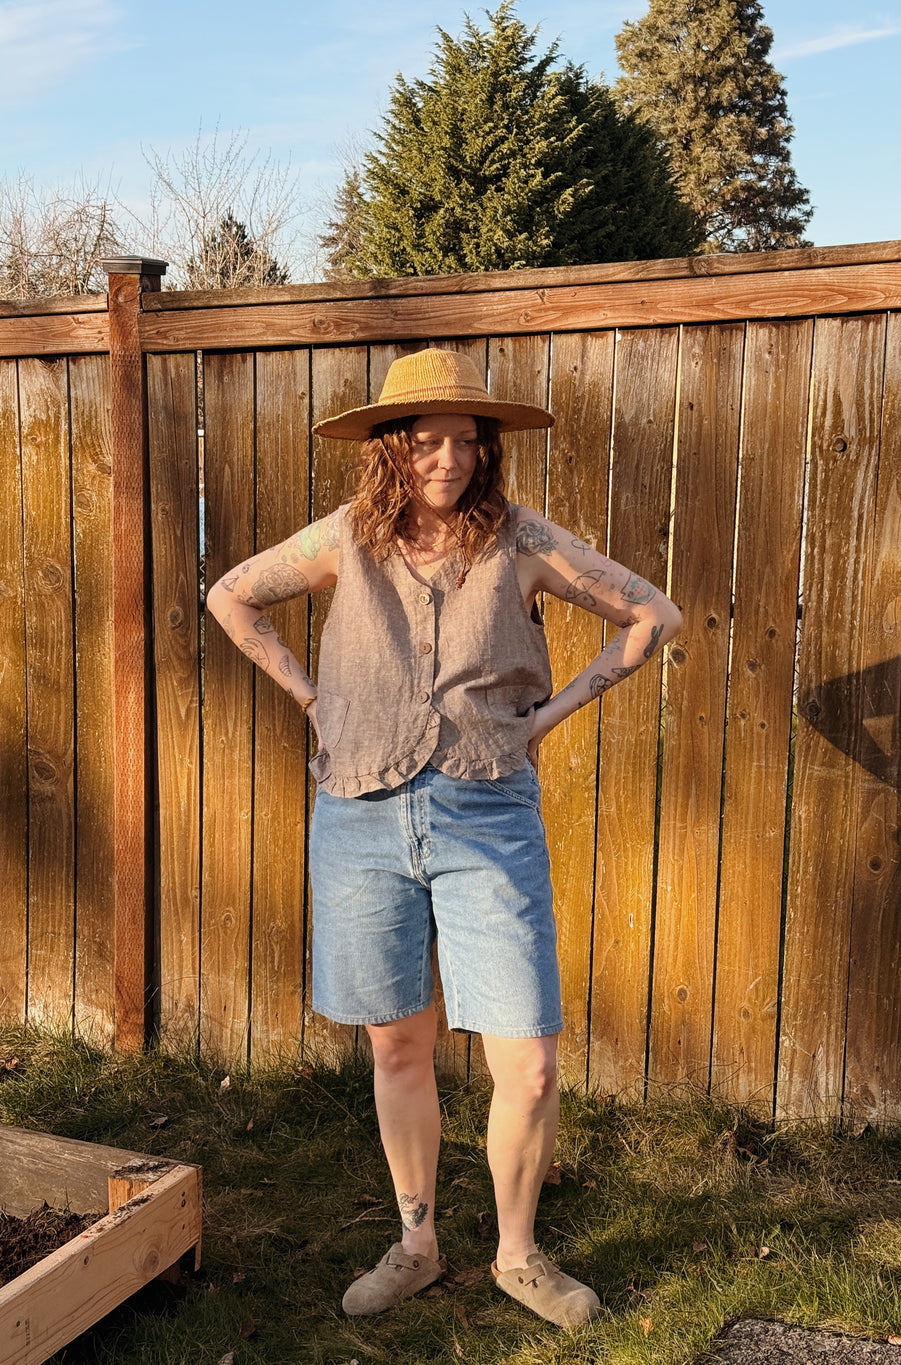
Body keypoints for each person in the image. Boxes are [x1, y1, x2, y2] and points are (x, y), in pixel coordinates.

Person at [206, 348, 682, 1327]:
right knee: (398, 1048)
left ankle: (517, 1255)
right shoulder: (343, 538)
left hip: (486, 812)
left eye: (467, 440)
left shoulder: (521, 541)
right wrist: (309, 698)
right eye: (427, 439)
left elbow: (651, 614)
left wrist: (547, 718)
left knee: (530, 1061)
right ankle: (417, 1243)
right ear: (391, 445)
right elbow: (230, 595)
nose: (449, 459)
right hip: (361, 813)